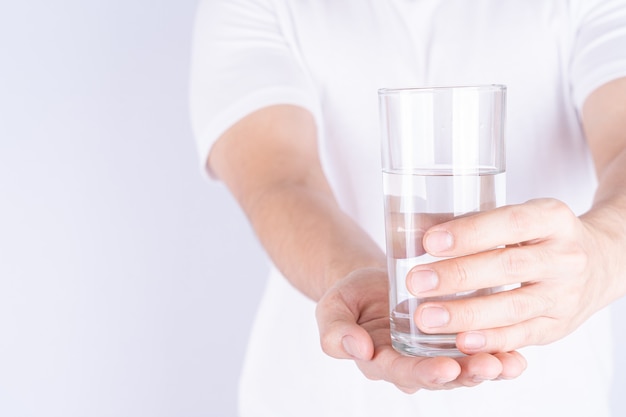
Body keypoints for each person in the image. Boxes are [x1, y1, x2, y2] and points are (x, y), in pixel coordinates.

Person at [190, 1, 626, 416]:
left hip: (549, 401)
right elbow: (281, 178)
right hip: (319, 400)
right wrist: (355, 276)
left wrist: (603, 254)